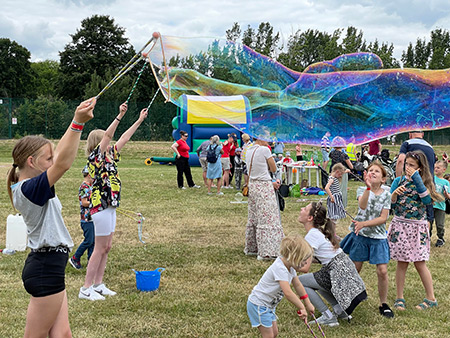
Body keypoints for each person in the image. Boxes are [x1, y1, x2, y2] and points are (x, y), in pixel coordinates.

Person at [7, 98, 95, 337]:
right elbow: (64, 164)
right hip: (45, 268)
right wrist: (77, 123)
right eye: (48, 160)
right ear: (31, 162)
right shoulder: (28, 189)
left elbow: (60, 159)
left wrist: (75, 121)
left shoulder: (31, 186)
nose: (53, 163)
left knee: (62, 334)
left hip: (52, 265)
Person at [79, 103, 148, 301]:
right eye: (106, 141)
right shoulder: (96, 157)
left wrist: (138, 120)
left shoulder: (110, 156)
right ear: (98, 143)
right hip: (99, 206)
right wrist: (119, 115)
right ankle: (86, 288)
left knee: (106, 247)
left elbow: (124, 137)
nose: (110, 142)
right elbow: (109, 136)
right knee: (99, 248)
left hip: (110, 205)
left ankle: (98, 284)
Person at [388, 151, 442, 311]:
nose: (408, 168)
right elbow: (389, 204)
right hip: (400, 226)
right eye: (407, 164)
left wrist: (417, 178)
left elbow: (426, 200)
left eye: (412, 165)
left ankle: (431, 298)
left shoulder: (424, 182)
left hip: (417, 228)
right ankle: (399, 297)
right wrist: (393, 196)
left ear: (420, 168)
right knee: (402, 262)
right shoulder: (398, 181)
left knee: (420, 263)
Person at [298, 202, 367, 327]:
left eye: (305, 208)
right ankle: (341, 312)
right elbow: (316, 257)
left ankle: (327, 316)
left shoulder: (312, 235)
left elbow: (305, 267)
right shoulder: (316, 232)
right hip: (342, 268)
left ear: (310, 218)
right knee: (318, 282)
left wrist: (289, 266)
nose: (301, 209)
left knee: (300, 282)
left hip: (337, 271)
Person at [340, 161, 394, 318]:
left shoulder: (387, 193)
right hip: (361, 237)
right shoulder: (362, 189)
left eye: (377, 171)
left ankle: (383, 304)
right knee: (355, 269)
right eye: (371, 170)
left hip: (378, 237)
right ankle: (345, 299)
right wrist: (368, 188)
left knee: (382, 271)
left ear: (383, 179)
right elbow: (362, 206)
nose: (373, 172)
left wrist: (364, 223)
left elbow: (383, 218)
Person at [247, 235, 315, 337]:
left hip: (269, 306)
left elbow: (298, 285)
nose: (306, 262)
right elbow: (288, 292)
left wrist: (307, 303)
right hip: (258, 305)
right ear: (294, 257)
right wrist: (301, 307)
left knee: (274, 333)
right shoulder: (280, 268)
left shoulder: (290, 267)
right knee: (269, 336)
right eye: (303, 259)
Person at [244, 138, 284, 260]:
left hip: (253, 185)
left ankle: (252, 247)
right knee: (268, 217)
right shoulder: (264, 150)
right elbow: (273, 168)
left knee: (254, 216)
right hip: (264, 187)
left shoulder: (248, 150)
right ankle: (267, 251)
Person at [69, 166, 95, 270]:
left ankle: (91, 262)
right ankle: (75, 258)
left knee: (93, 241)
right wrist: (96, 204)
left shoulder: (91, 186)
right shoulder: (84, 187)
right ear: (89, 175)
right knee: (88, 241)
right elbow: (84, 203)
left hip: (92, 218)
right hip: (86, 219)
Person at [328, 136, 353, 207]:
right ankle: (341, 204)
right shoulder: (344, 155)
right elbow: (351, 166)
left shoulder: (332, 153)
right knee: (341, 190)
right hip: (342, 174)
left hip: (332, 173)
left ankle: (333, 203)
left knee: (333, 189)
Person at [431, 160, 450, 247]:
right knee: (429, 223)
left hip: (441, 206)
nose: (436, 169)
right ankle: (427, 237)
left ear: (444, 170)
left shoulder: (446, 182)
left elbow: (448, 195)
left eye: (438, 168)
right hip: (431, 205)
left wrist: (446, 195)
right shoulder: (432, 178)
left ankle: (440, 238)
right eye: (435, 167)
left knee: (440, 224)